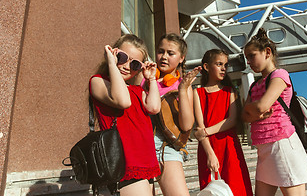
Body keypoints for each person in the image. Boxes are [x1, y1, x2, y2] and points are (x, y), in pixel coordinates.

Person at [242, 28, 307, 196]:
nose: (248, 62)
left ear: (267, 52)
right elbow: (244, 116)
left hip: (282, 145)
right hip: (264, 148)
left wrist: (254, 109)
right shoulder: (254, 85)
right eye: (247, 58)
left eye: (252, 56)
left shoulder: (280, 74)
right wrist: (253, 109)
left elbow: (261, 107)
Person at [89, 34, 161, 196]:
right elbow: (122, 101)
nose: (127, 66)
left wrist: (152, 80)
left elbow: (154, 107)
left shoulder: (137, 90)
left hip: (146, 163)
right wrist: (112, 65)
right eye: (122, 57)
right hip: (125, 164)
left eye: (135, 64)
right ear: (113, 54)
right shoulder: (98, 81)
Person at [142, 33, 200, 196]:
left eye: (170, 53)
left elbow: (187, 125)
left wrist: (182, 90)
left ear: (181, 58)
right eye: (161, 51)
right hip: (141, 145)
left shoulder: (183, 85)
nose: (164, 57)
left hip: (166, 146)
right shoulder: (144, 79)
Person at [193, 49, 253, 196]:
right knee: (212, 190)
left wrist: (206, 132)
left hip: (229, 147)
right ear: (206, 67)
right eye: (219, 64)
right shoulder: (197, 92)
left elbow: (231, 120)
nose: (223, 68)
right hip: (208, 148)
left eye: (225, 65)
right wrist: (210, 153)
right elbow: (199, 126)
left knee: (238, 187)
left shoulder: (229, 91)